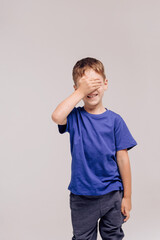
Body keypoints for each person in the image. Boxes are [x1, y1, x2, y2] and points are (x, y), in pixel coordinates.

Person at [51, 57, 138, 240]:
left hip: (112, 194)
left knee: (113, 236)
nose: (91, 89)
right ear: (77, 89)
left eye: (95, 83)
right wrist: (81, 91)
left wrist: (127, 197)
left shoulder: (115, 121)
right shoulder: (74, 117)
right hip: (82, 197)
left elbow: (123, 159)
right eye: (85, 86)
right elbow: (57, 116)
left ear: (105, 84)